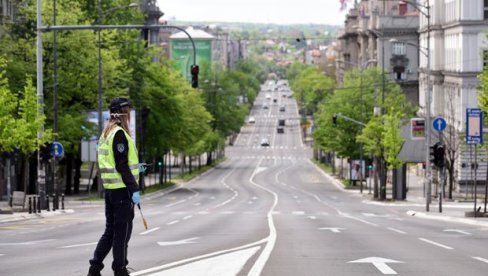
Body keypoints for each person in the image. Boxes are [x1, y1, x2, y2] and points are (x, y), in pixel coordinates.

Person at [88, 98, 140, 276]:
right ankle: (120, 270)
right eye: (128, 111)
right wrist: (134, 189)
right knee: (121, 234)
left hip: (111, 191)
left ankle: (94, 268)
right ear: (123, 113)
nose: (130, 115)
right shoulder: (118, 134)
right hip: (121, 191)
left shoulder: (106, 133)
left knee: (111, 231)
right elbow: (122, 165)